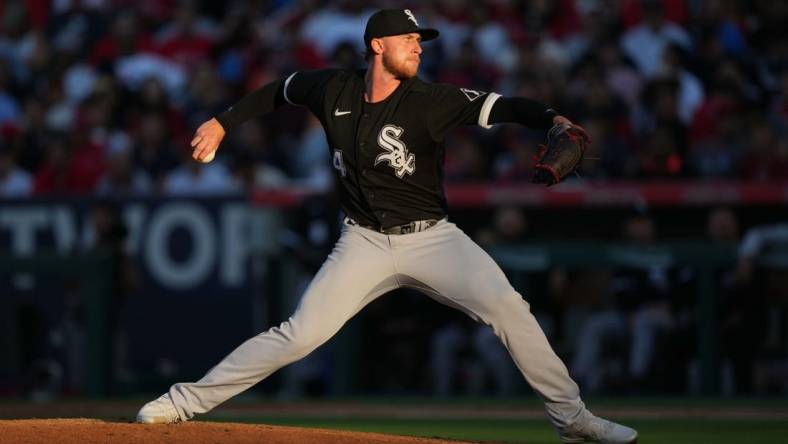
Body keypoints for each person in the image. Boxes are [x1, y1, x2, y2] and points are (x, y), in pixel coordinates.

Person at [136, 9, 637, 444]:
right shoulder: (332, 88)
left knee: (510, 308)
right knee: (298, 335)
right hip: (363, 241)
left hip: (434, 239)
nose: (418, 47)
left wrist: (550, 117)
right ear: (378, 45)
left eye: (421, 41)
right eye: (410, 40)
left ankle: (572, 419)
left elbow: (501, 106)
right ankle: (181, 403)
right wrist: (224, 122)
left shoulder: (430, 101)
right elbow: (279, 91)